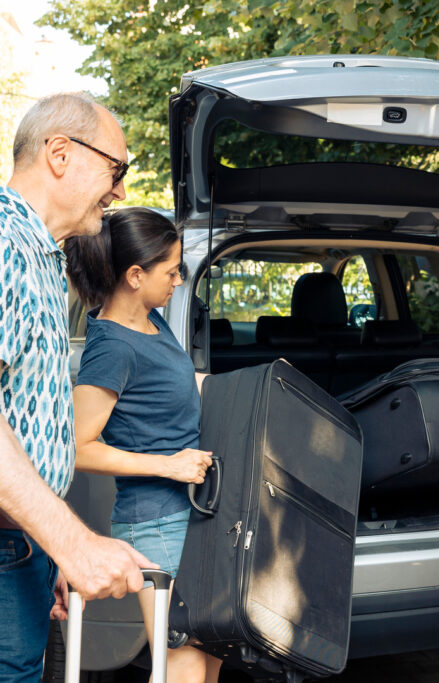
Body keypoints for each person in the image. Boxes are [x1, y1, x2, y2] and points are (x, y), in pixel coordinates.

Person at [1, 93, 155, 681]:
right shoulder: (4, 245)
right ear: (60, 154)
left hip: (21, 544)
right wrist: (70, 541)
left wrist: (46, 543)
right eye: (116, 168)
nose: (120, 189)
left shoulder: (41, 255)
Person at [64, 207, 222, 683]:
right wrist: (167, 466)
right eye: (171, 271)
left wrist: (259, 389)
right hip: (155, 522)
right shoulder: (111, 347)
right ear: (135, 276)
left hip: (192, 510)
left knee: (210, 653)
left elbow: (181, 384)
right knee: (181, 664)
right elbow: (79, 447)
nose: (178, 280)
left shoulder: (153, 322)